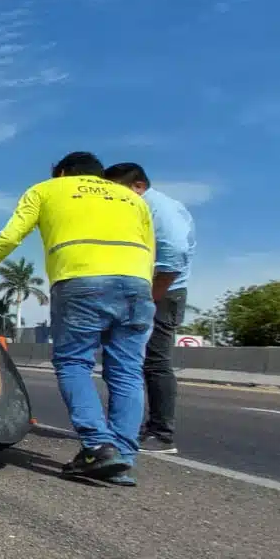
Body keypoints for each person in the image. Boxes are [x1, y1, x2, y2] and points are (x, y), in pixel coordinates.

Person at [0, 152, 156, 485]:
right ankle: (122, 457)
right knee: (127, 370)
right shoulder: (132, 198)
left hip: (81, 281)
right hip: (137, 285)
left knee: (74, 363)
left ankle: (98, 446)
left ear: (62, 172)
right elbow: (150, 249)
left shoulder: (47, 190)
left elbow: (10, 237)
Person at [104, 162, 195, 454]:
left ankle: (161, 433)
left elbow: (174, 256)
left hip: (163, 291)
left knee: (155, 362)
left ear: (138, 187)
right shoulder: (139, 209)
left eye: (116, 191)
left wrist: (151, 298)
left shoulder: (160, 209)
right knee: (134, 361)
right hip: (145, 289)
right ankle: (133, 428)